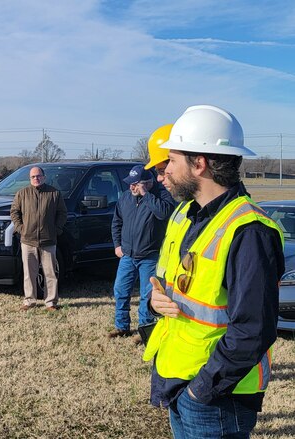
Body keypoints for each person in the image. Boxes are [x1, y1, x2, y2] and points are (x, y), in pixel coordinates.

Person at [142, 105, 284, 438]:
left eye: (172, 160)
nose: (166, 171)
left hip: (216, 400)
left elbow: (253, 330)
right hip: (178, 381)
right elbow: (178, 286)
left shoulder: (249, 231)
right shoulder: (186, 214)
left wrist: (200, 392)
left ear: (199, 163)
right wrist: (154, 301)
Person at [108, 165, 175, 340]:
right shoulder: (125, 198)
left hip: (150, 256)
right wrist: (117, 245)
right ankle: (121, 327)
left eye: (135, 184)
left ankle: (144, 330)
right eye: (129, 184)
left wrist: (146, 195)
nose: (131, 187)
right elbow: (117, 222)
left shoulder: (162, 196)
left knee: (147, 295)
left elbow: (164, 213)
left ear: (147, 183)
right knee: (121, 290)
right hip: (128, 255)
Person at [11, 166, 67, 311]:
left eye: (38, 176)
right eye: (33, 177)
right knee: (29, 273)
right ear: (29, 179)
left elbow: (62, 213)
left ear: (44, 177)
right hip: (28, 241)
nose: (36, 179)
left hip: (48, 240)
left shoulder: (54, 193)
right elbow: (14, 212)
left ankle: (51, 303)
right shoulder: (22, 194)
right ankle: (29, 301)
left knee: (50, 273)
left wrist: (57, 230)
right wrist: (20, 228)